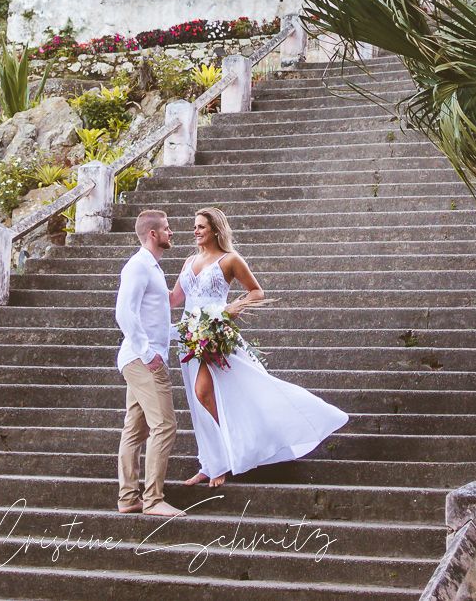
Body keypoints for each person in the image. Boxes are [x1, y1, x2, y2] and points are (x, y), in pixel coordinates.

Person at [171, 206, 348, 488]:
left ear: (215, 230)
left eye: (201, 227)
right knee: (198, 401)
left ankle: (229, 455)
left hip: (214, 333)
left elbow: (257, 291)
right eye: (195, 226)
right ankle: (211, 462)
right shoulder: (189, 261)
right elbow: (173, 299)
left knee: (203, 393)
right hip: (189, 335)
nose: (195, 231)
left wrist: (232, 308)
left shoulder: (230, 260)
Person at [114, 208, 185, 516]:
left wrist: (183, 331)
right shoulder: (139, 266)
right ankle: (153, 499)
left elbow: (153, 317)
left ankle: (129, 498)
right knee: (165, 425)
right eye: (167, 229)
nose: (171, 233)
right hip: (142, 360)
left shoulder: (153, 267)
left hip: (141, 356)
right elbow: (124, 313)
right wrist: (147, 353)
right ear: (153, 234)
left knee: (134, 430)